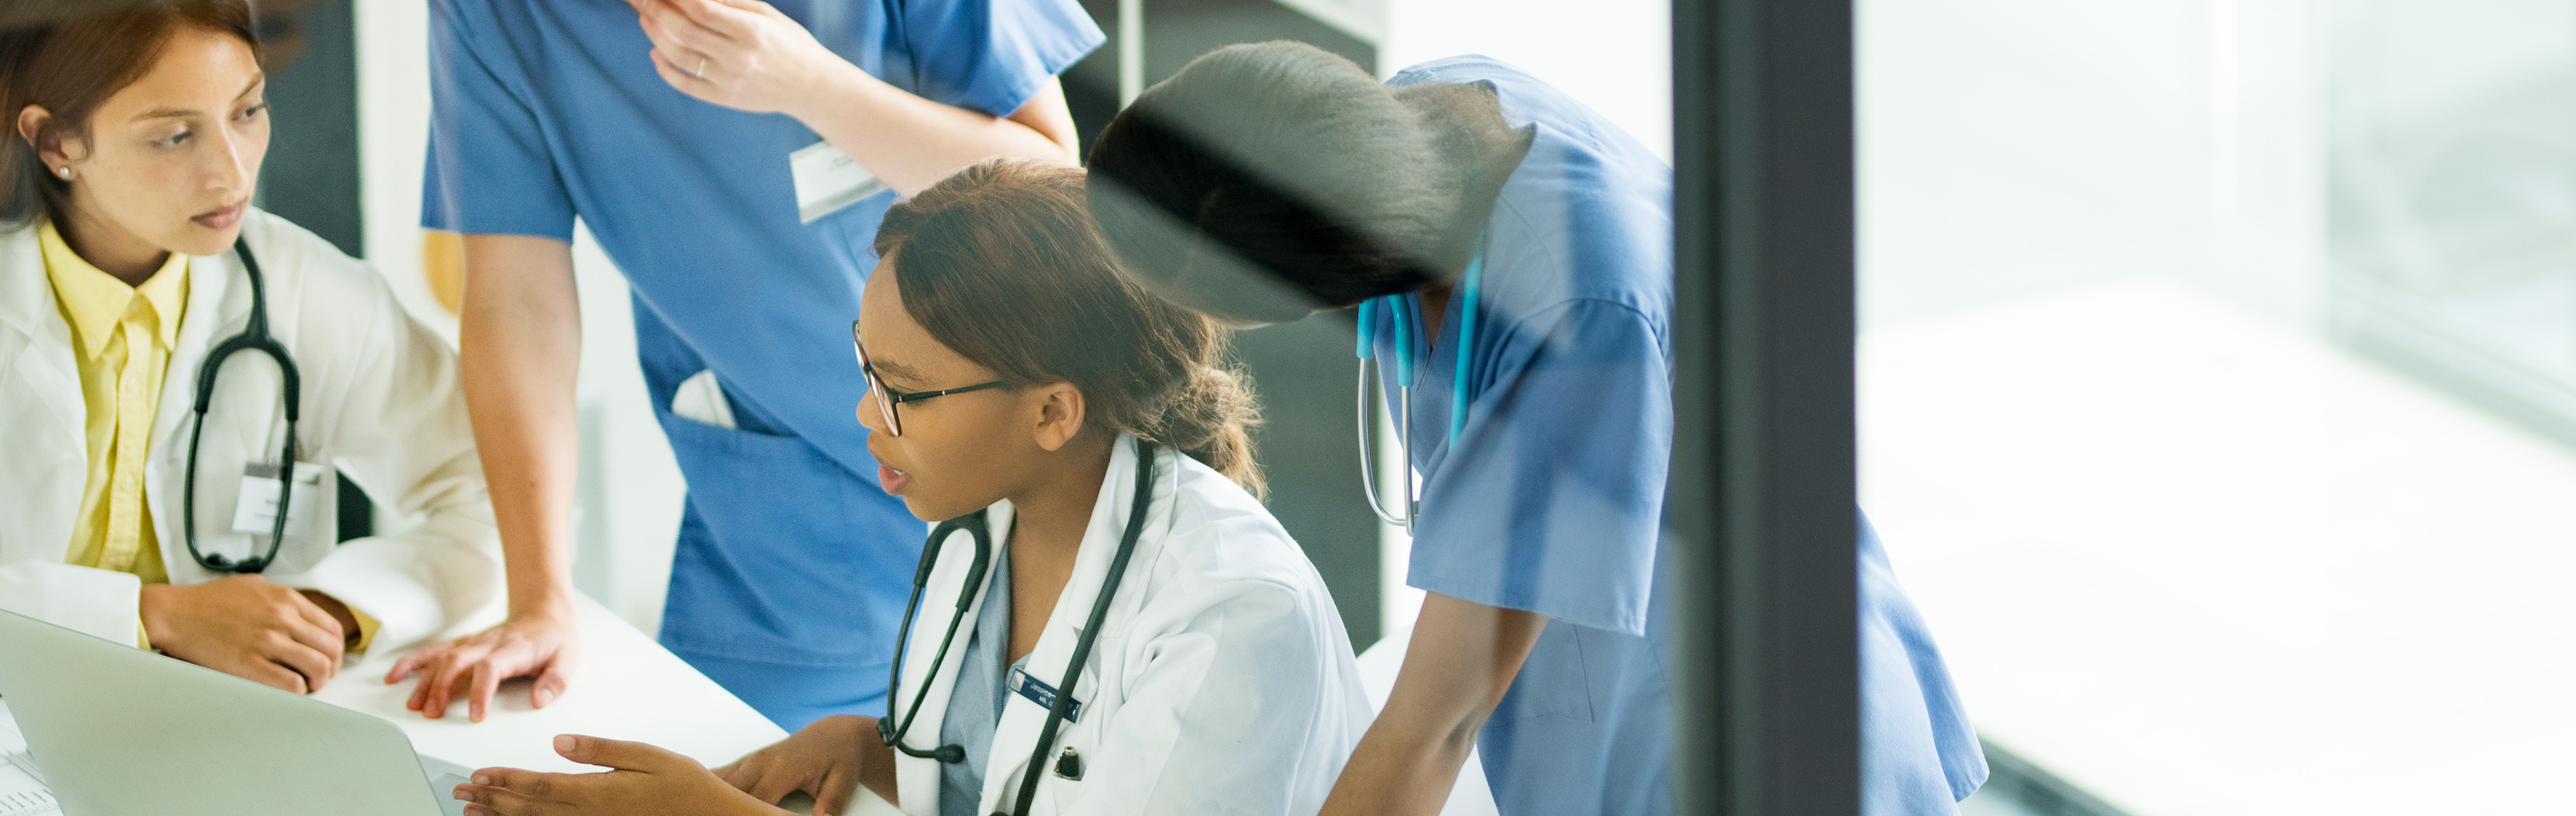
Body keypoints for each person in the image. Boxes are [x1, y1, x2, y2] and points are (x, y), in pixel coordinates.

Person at [1083, 43, 1989, 814]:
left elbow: (1436, 724)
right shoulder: (1435, 119)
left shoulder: (1577, 307)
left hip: (1751, 734)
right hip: (1625, 703)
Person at [447, 161, 1368, 816]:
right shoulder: (988, 524)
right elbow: (1010, 766)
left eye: (905, 392)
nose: (864, 412)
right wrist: (868, 750)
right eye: (866, 367)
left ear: (1053, 412)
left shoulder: (1233, 622)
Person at [0, 0, 502, 714]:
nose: (232, 171)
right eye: (174, 136)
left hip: (188, 732)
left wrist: (327, 611)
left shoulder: (304, 290)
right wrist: (153, 617)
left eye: (249, 110)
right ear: (57, 141)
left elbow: (497, 495)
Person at [395, 0, 1106, 728]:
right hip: (785, 529)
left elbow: (1052, 185)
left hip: (1022, 454)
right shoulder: (499, 14)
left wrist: (810, 87)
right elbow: (513, 300)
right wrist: (540, 596)